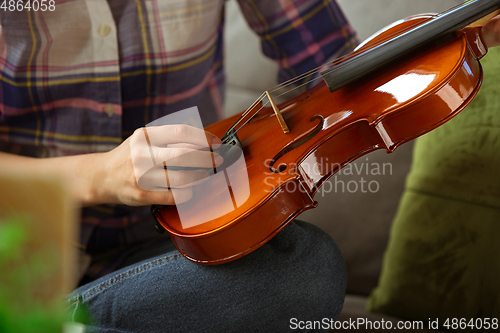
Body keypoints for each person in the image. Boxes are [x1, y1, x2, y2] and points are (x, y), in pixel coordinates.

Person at [0, 1, 499, 332]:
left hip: (179, 246)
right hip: (19, 267)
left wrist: (455, 37)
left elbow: (331, 62)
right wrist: (100, 175)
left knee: (303, 270)